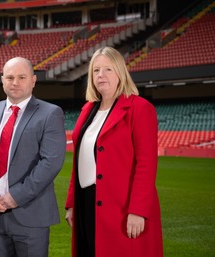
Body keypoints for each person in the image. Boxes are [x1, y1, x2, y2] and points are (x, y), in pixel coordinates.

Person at [65, 46, 163, 257]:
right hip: (86, 202)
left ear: (120, 71)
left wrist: (138, 210)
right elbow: (79, 160)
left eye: (108, 69)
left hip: (121, 206)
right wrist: (72, 203)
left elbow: (146, 164)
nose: (101, 75)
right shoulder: (87, 110)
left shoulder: (140, 108)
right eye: (96, 70)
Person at [0, 57, 66, 257]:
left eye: (22, 77)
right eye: (10, 77)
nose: (15, 82)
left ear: (33, 80)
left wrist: (16, 196)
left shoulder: (50, 113)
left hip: (31, 216)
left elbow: (50, 163)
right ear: (2, 80)